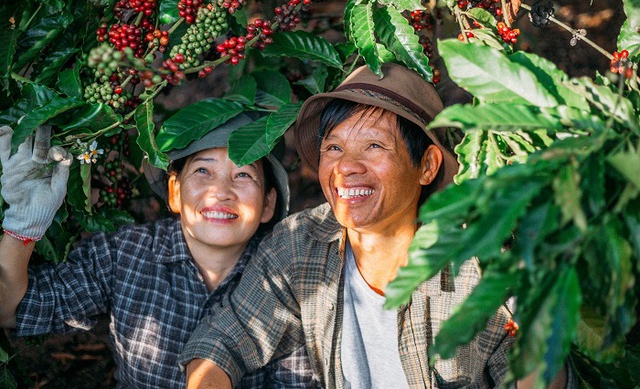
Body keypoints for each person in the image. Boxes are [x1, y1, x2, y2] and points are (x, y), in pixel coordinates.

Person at [178, 63, 572, 389]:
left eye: (374, 146)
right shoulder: (300, 245)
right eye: (334, 148)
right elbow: (222, 342)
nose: (346, 166)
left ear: (428, 166)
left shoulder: (484, 264)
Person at [0, 113, 315, 388]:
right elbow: (10, 310)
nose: (221, 191)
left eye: (243, 175)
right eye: (203, 171)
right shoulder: (125, 254)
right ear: (174, 192)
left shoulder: (287, 280)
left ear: (268, 204)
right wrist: (22, 228)